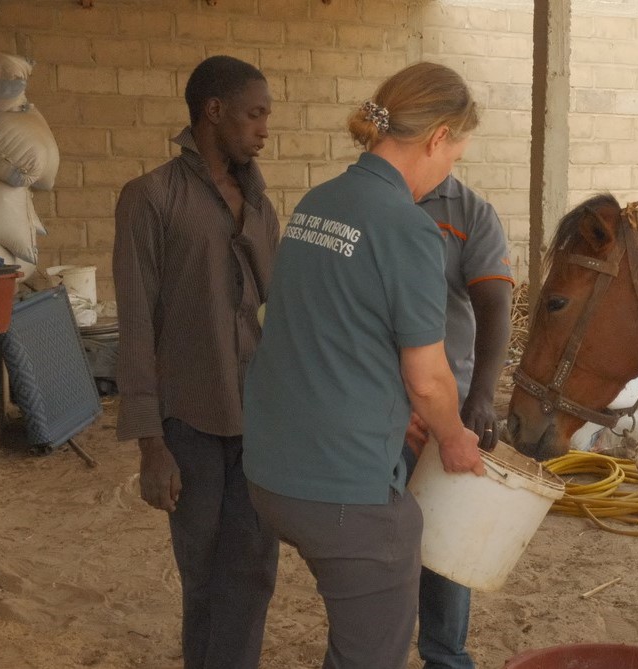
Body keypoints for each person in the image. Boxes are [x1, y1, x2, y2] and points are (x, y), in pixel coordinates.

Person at [242, 61, 485, 669]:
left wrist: (390, 411)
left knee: (355, 636)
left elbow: (331, 333)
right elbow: (429, 378)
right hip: (344, 493)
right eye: (455, 156)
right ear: (437, 138)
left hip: (271, 471)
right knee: (373, 648)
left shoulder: (317, 204)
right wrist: (454, 439)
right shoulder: (408, 227)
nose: (449, 172)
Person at [112, 55, 279, 669]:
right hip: (190, 422)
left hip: (259, 420)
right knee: (203, 572)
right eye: (254, 114)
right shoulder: (150, 199)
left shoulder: (260, 205)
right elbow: (134, 329)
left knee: (256, 567)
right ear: (214, 112)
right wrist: (150, 444)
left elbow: (277, 312)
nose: (265, 129)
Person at [406, 175, 513, 669]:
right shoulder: (373, 197)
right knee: (378, 547)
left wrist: (481, 397)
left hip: (444, 409)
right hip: (379, 408)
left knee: (444, 544)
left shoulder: (470, 212)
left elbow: (494, 305)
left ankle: (445, 658)